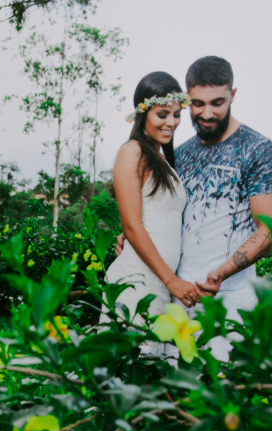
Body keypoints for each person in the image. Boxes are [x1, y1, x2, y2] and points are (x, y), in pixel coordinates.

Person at [176, 55, 272, 360]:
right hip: (177, 297)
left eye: (217, 103)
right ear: (187, 99)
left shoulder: (260, 150)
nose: (207, 113)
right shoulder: (179, 154)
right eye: (198, 104)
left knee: (225, 385)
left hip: (232, 300)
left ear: (233, 95)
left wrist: (222, 272)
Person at [100, 71, 200, 356]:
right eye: (162, 115)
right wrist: (172, 281)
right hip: (139, 281)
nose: (171, 122)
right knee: (130, 366)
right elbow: (132, 226)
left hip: (158, 281)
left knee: (151, 369)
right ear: (142, 114)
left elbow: (155, 216)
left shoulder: (162, 159)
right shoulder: (132, 151)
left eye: (177, 115)